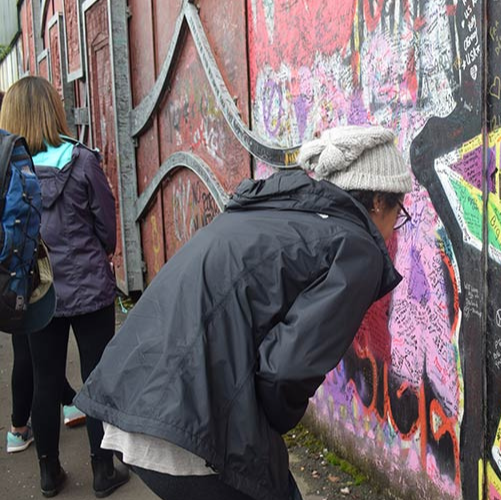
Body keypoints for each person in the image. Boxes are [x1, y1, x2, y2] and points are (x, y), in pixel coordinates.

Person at [74, 125, 413, 500]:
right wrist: (266, 427)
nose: (392, 231)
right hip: (185, 426)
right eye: (398, 213)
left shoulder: (273, 210)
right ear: (379, 202)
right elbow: (286, 371)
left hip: (133, 394)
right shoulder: (356, 248)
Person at [0, 76, 129, 498]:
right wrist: (99, 256)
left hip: (38, 293)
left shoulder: (10, 174)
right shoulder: (82, 160)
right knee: (97, 379)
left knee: (45, 379)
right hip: (89, 286)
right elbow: (106, 228)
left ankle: (49, 472)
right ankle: (103, 471)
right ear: (55, 110)